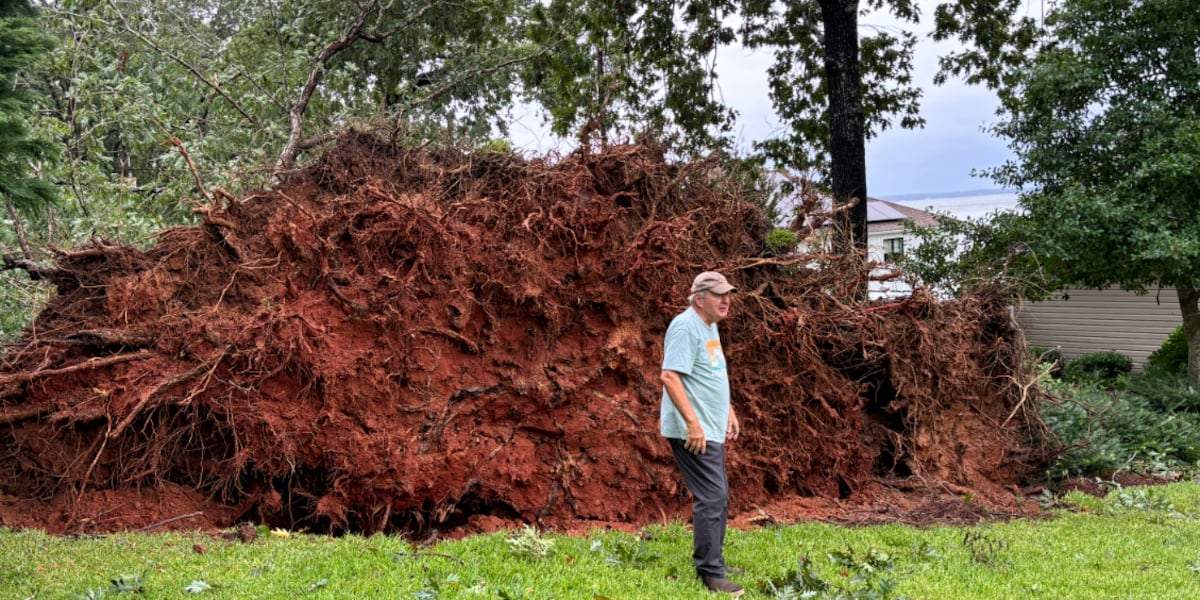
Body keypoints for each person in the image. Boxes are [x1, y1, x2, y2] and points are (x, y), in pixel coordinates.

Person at [660, 271, 743, 596]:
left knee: (718, 494)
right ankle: (710, 572)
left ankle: (715, 561)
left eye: (728, 294)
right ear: (699, 299)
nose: (725, 300)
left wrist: (728, 410)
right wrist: (693, 424)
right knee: (712, 497)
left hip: (711, 424)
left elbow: (713, 373)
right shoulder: (685, 326)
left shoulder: (709, 326)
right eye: (718, 295)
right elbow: (669, 376)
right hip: (693, 430)